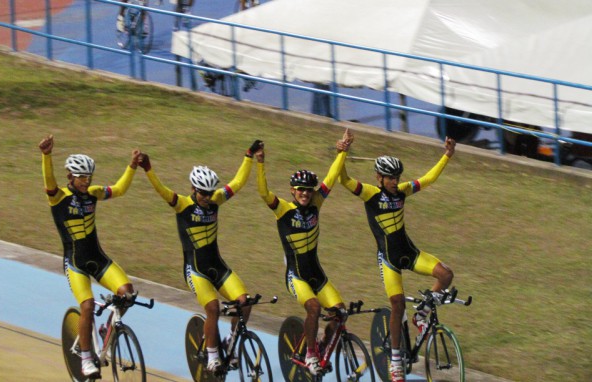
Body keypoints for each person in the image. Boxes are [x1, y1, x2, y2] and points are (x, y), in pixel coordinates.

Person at [137, 140, 263, 373]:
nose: (207, 196)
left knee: (244, 303)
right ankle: (213, 355)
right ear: (194, 189)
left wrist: (248, 156)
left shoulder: (216, 201)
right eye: (203, 193)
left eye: (210, 192)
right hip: (195, 271)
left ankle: (230, 344)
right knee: (213, 308)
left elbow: (237, 182)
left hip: (217, 267)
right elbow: (162, 190)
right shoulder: (182, 205)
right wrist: (148, 169)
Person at [338, 137, 457, 382]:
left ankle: (421, 313)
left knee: (446, 274)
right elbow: (344, 180)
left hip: (409, 253)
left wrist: (447, 155)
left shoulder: (402, 191)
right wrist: (342, 154)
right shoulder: (370, 194)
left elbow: (429, 179)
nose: (395, 182)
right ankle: (395, 361)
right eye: (391, 178)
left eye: (397, 177)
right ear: (379, 178)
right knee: (398, 304)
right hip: (388, 260)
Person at [38, 135, 141, 378]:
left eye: (89, 177)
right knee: (86, 306)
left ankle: (106, 328)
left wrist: (132, 166)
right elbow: (49, 182)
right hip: (75, 264)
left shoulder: (93, 194)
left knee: (127, 292)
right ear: (70, 176)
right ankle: (85, 358)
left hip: (97, 258)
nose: (86, 181)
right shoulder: (58, 197)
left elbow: (119, 189)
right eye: (82, 177)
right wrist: (46, 155)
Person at [254, 129, 353, 376]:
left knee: (341, 313)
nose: (306, 194)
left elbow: (331, 176)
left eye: (309, 190)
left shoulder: (317, 203)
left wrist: (342, 152)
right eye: (301, 189)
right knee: (314, 308)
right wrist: (260, 164)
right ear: (292, 190)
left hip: (316, 274)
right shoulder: (283, 210)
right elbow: (264, 193)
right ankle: (310, 354)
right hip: (295, 276)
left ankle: (319, 345)